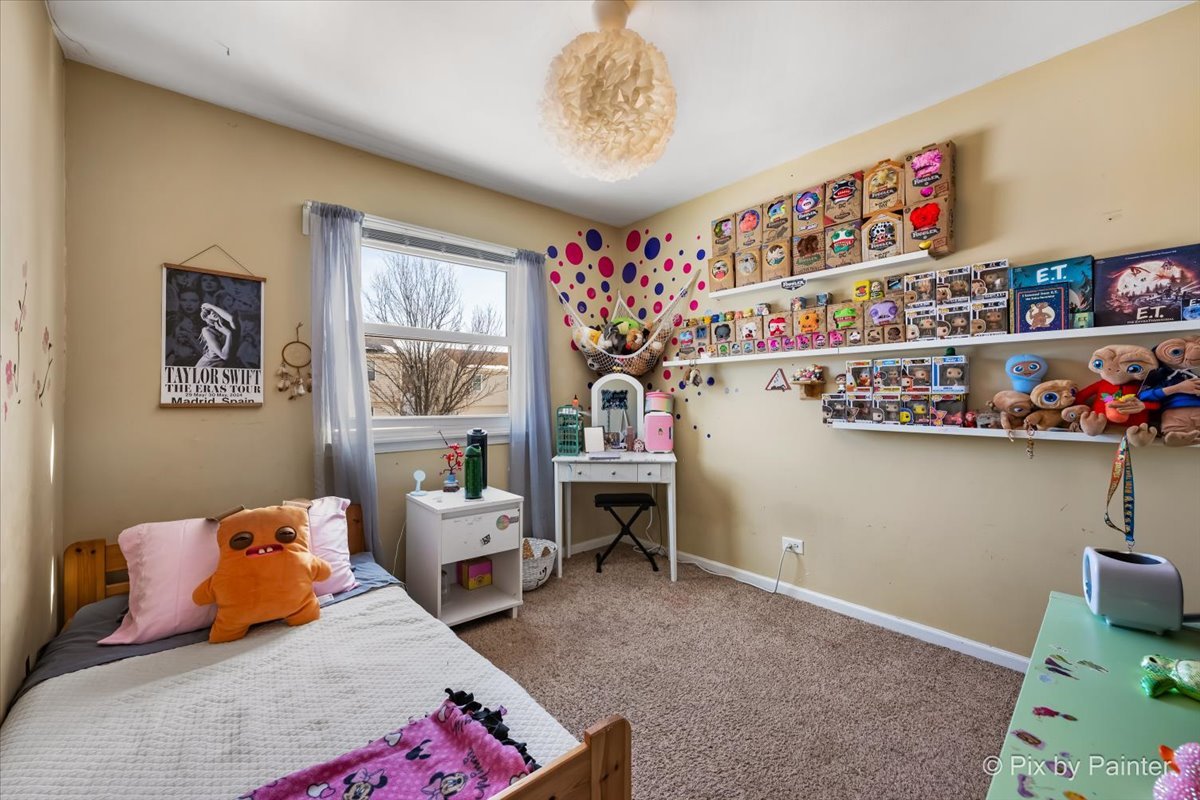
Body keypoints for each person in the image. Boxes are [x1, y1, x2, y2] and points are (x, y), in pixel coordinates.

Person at [197, 303, 240, 368]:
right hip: (208, 365)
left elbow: (231, 319)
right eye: (209, 312)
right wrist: (228, 334)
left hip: (225, 367)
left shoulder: (230, 327)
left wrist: (210, 306)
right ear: (206, 317)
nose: (212, 313)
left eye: (214, 310)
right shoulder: (207, 330)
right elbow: (224, 356)